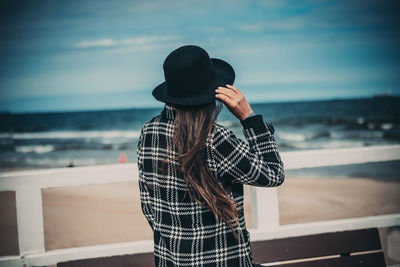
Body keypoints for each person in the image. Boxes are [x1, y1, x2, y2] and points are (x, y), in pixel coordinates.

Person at [137, 45, 285, 267]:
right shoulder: (216, 140)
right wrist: (249, 119)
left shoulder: (148, 132)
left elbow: (148, 205)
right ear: (215, 92)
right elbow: (273, 174)